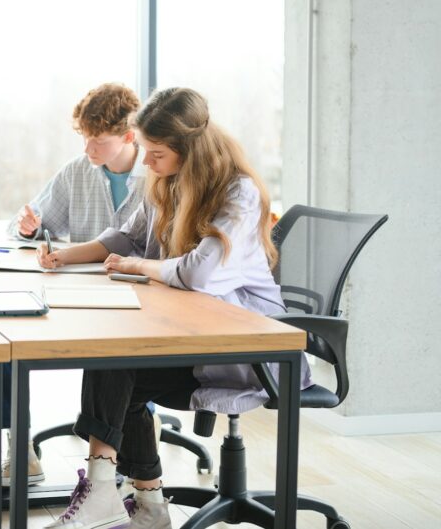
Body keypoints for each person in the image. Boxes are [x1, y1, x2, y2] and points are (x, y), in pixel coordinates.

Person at [39, 88, 311, 529]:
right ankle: (144, 506)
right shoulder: (166, 182)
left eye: (156, 153)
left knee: (117, 369)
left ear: (189, 150)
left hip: (246, 351)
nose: (145, 162)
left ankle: (107, 497)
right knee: (112, 363)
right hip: (192, 336)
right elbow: (127, 237)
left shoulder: (238, 193)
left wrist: (138, 266)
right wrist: (67, 256)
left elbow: (201, 273)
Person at [0, 84, 145, 491]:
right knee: (9, 335)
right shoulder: (76, 171)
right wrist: (30, 228)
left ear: (128, 137)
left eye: (98, 140)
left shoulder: (156, 175)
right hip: (80, 295)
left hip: (139, 301)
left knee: (121, 357)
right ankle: (21, 451)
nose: (88, 148)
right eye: (84, 138)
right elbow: (36, 225)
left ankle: (126, 461)